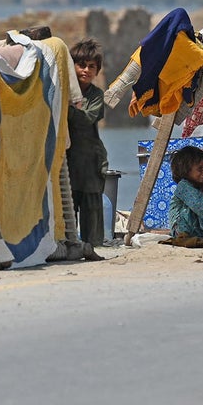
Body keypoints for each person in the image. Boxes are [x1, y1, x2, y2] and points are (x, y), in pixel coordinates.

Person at [67, 37, 110, 259]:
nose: (85, 70)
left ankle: (92, 248)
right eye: (81, 65)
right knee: (68, 206)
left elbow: (87, 118)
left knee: (92, 208)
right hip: (68, 159)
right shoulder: (64, 91)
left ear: (97, 70)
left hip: (91, 159)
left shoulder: (96, 95)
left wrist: (69, 110)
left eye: (91, 67)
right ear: (72, 66)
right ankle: (68, 246)